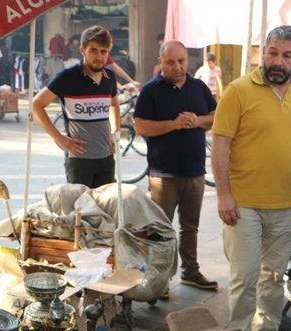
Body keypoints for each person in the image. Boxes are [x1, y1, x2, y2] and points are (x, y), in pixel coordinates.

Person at [212, 25, 291, 331]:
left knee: (274, 277)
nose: (278, 60)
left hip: (286, 203)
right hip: (242, 203)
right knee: (244, 275)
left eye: (287, 55)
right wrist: (224, 194)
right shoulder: (238, 91)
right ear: (263, 51)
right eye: (272, 52)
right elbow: (222, 144)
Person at [133, 41, 218, 295]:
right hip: (163, 174)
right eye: (170, 62)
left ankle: (190, 272)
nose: (177, 66)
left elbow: (215, 117)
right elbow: (140, 127)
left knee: (190, 227)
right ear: (161, 62)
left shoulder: (199, 87)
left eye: (181, 61)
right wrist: (173, 124)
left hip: (195, 172)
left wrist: (196, 120)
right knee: (160, 229)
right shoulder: (150, 91)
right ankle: (160, 279)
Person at [32, 26, 120, 188]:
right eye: (93, 50)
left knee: (105, 210)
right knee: (80, 211)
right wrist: (60, 138)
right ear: (82, 50)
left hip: (107, 158)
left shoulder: (110, 77)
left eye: (104, 51)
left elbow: (114, 104)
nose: (99, 56)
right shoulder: (68, 77)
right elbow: (37, 104)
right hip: (79, 161)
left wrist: (115, 132)